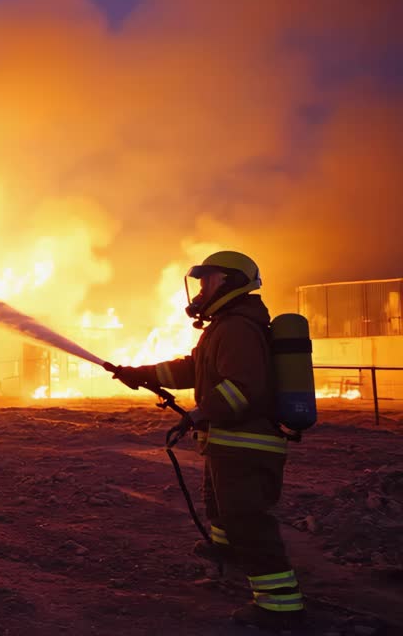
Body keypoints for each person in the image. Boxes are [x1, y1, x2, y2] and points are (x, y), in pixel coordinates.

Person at [110, 251, 304, 630]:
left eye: (207, 280)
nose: (199, 290)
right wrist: (141, 373)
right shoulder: (225, 325)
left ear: (229, 282)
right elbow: (192, 369)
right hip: (229, 443)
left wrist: (200, 413)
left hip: (247, 445)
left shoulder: (237, 329)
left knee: (247, 519)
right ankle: (228, 556)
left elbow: (243, 389)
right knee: (221, 507)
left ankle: (280, 606)